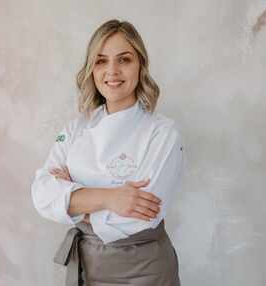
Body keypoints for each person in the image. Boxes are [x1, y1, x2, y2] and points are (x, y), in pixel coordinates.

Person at [31, 19, 183, 286]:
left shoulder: (162, 132)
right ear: (91, 69)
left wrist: (72, 198)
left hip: (145, 269)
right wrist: (111, 197)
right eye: (101, 61)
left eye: (124, 59)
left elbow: (140, 217)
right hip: (88, 267)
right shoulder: (76, 128)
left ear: (140, 66)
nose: (112, 71)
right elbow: (42, 194)